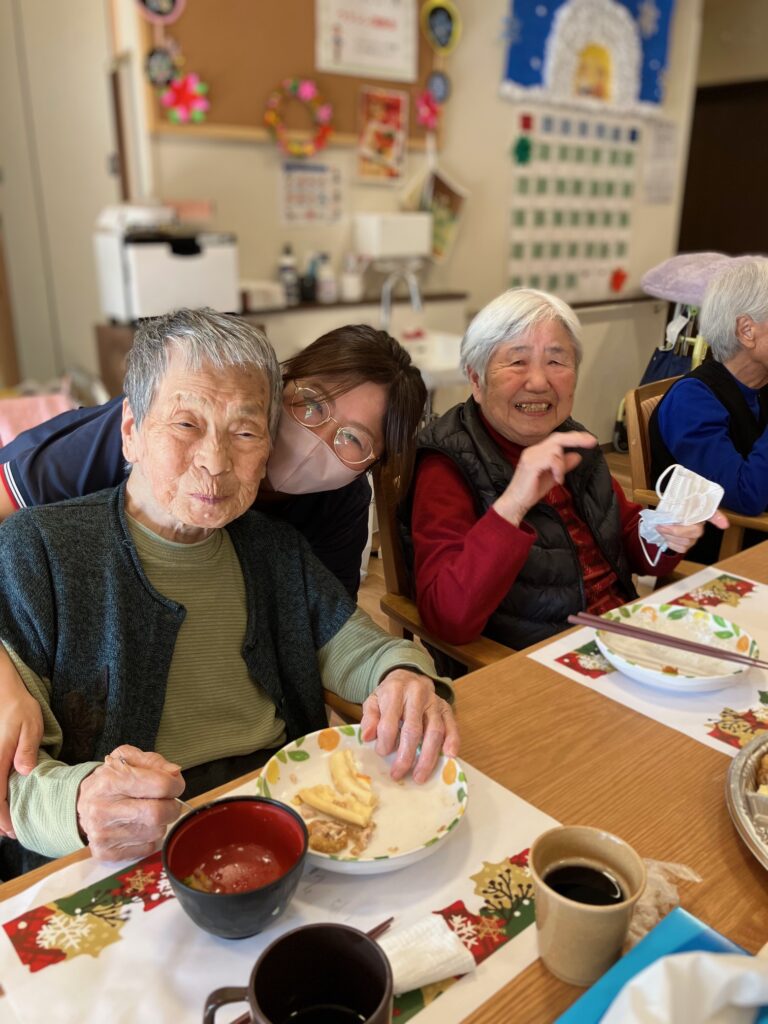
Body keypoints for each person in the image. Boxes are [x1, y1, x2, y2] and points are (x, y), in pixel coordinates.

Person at [0, 308, 457, 879]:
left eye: (244, 432)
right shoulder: (36, 551)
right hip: (116, 853)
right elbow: (16, 781)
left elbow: (357, 646)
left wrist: (403, 676)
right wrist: (80, 803)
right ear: (131, 431)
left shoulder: (277, 549)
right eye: (186, 425)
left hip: (279, 824)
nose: (215, 463)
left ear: (267, 446)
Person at [403, 288, 727, 657]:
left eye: (557, 362)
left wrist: (668, 528)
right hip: (540, 665)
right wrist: (514, 503)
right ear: (476, 380)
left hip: (623, 638)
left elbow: (624, 539)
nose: (539, 382)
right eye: (517, 362)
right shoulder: (446, 464)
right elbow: (448, 618)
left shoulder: (572, 440)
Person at [0, 322, 427, 600]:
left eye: (353, 439)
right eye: (311, 404)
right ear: (283, 382)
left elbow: (330, 624)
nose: (317, 440)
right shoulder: (152, 430)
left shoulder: (340, 500)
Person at [650, 257, 768, 563]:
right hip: (721, 558)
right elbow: (745, 496)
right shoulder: (692, 401)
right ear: (747, 331)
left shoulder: (760, 384)